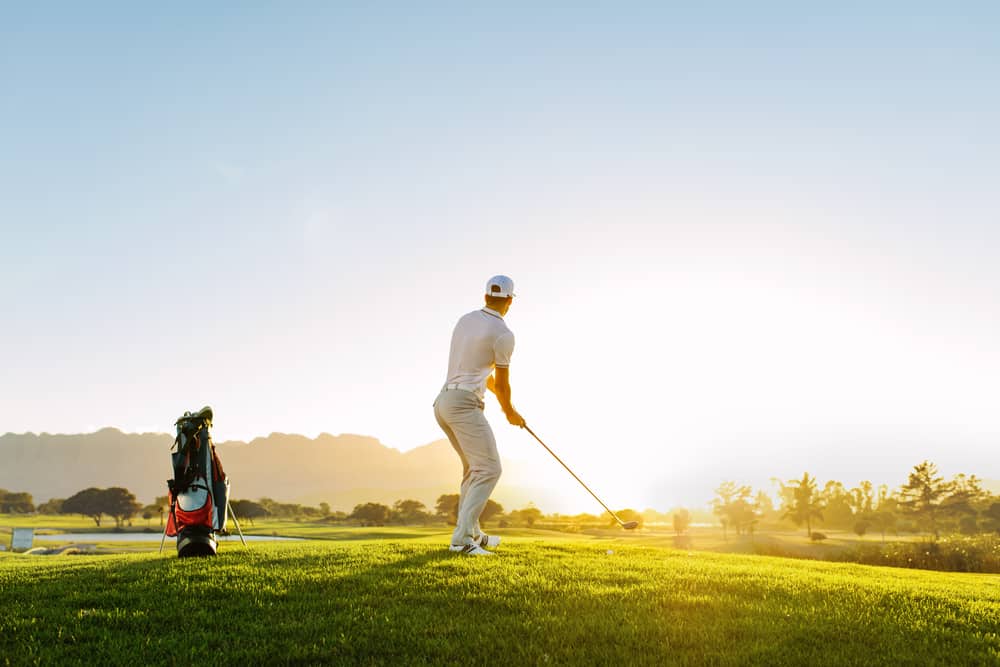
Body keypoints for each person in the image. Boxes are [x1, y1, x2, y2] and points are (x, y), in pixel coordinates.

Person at [434, 275, 526, 556]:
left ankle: (474, 533)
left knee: (473, 470)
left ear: (486, 296)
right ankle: (461, 541)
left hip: (443, 402)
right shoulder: (503, 334)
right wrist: (510, 411)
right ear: (510, 300)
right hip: (464, 405)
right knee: (489, 469)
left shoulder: (466, 320)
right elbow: (500, 382)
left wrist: (508, 406)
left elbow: (478, 373)